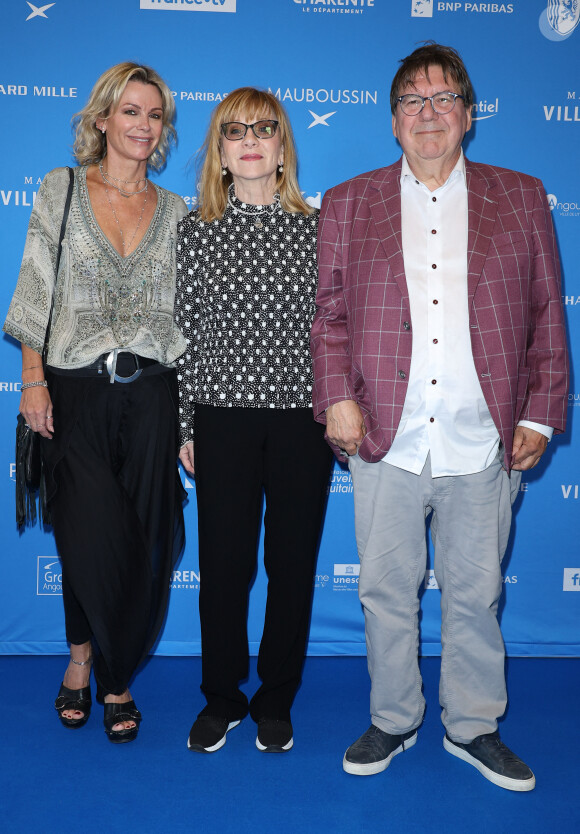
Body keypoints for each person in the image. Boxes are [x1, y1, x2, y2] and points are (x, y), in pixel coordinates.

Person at [311, 43, 568, 790]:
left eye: (443, 99)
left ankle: (473, 726)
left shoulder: (519, 197)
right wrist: (338, 399)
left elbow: (548, 315)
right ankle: (393, 717)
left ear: (468, 114)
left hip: (482, 438)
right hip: (384, 437)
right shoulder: (349, 201)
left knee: (475, 591)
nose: (429, 115)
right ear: (394, 121)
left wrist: (542, 416)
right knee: (385, 591)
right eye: (414, 102)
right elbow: (328, 317)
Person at [3, 62, 188, 744]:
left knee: (144, 538)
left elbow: (188, 322)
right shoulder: (61, 188)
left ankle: (114, 679)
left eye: (154, 115)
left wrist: (190, 420)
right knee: (86, 535)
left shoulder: (175, 212)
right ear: (102, 119)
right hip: (73, 390)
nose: (142, 125)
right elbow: (34, 287)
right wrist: (32, 379)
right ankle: (81, 655)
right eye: (130, 112)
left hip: (153, 397)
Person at [175, 87, 333, 755]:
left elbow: (336, 330)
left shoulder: (320, 227)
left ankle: (275, 697)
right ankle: (222, 696)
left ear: (282, 147)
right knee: (226, 565)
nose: (250, 139)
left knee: (292, 564)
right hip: (221, 419)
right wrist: (184, 426)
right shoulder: (195, 229)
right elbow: (181, 330)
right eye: (234, 130)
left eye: (264, 128)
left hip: (302, 421)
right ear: (218, 150)